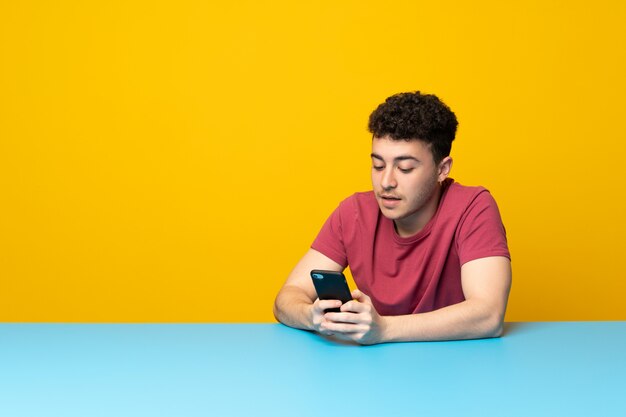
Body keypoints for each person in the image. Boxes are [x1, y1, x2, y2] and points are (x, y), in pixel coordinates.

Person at [273, 91, 511, 345]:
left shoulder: (473, 207)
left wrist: (385, 329)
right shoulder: (353, 212)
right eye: (378, 165)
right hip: (375, 371)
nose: (386, 182)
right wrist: (313, 317)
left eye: (405, 168)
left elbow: (488, 314)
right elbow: (287, 298)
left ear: (442, 169)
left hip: (454, 370)